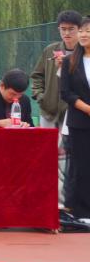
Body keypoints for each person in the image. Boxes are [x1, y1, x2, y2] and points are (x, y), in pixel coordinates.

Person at [31, 10, 82, 209]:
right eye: (63, 29)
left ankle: (65, 203)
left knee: (68, 159)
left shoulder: (84, 53)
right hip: (49, 111)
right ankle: (47, 200)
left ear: (80, 30)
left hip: (73, 113)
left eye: (71, 29)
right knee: (47, 156)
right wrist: (40, 96)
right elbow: (37, 75)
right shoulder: (51, 50)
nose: (67, 33)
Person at [60, 16, 90, 219]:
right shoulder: (69, 61)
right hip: (79, 122)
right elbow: (66, 93)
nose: (83, 35)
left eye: (88, 31)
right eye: (81, 31)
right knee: (81, 167)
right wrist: (87, 109)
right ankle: (82, 211)